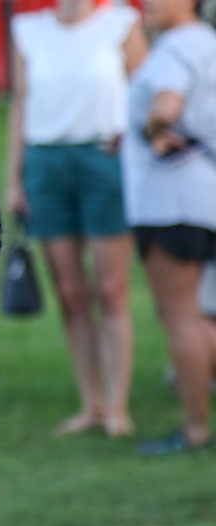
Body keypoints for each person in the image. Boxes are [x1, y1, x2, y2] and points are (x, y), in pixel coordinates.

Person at [6, 0, 146, 438]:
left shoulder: (122, 23)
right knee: (69, 292)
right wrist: (15, 178)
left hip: (103, 159)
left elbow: (144, 93)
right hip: (46, 162)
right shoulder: (28, 30)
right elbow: (20, 104)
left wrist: (133, 142)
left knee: (110, 290)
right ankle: (92, 404)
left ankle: (118, 406)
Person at [121, 0, 216, 453]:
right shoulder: (208, 42)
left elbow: (167, 106)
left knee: (181, 318)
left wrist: (148, 128)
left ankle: (195, 430)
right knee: (200, 317)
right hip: (204, 197)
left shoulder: (175, 47)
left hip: (169, 202)